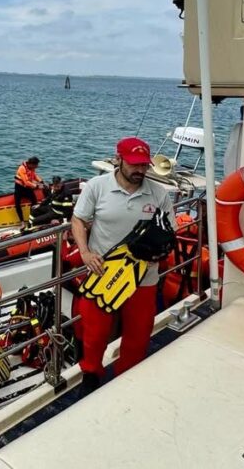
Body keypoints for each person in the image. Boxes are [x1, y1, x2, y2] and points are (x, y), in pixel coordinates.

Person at [70, 137, 172, 392]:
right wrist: (85, 252)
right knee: (95, 333)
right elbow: (78, 220)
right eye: (134, 164)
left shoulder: (158, 194)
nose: (140, 170)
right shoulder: (97, 186)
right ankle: (91, 373)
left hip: (143, 278)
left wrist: (159, 249)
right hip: (103, 273)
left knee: (139, 334)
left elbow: (170, 231)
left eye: (144, 165)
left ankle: (127, 378)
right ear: (118, 159)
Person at [13, 156, 43, 222]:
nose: (37, 167)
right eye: (36, 165)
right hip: (19, 188)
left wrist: (41, 181)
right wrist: (37, 186)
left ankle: (31, 217)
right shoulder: (22, 168)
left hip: (27, 188)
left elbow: (34, 175)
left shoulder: (32, 168)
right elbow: (26, 182)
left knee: (34, 201)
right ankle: (22, 222)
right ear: (31, 164)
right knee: (17, 204)